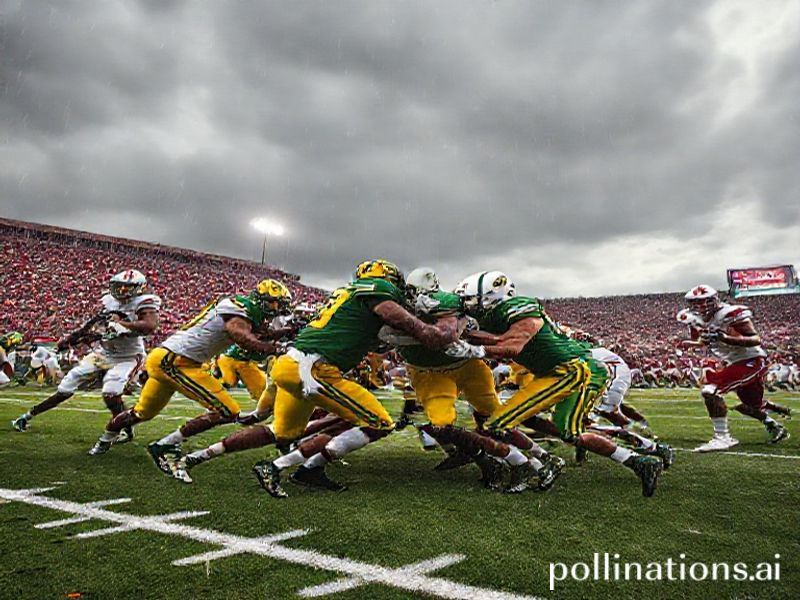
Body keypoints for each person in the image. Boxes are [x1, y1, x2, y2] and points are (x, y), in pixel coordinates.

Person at [12, 270, 160, 436]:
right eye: (119, 287)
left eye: (126, 288)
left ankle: (124, 428)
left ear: (138, 288)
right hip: (103, 353)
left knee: (111, 394)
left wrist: (124, 326)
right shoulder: (110, 304)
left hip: (128, 356)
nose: (121, 291)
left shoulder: (144, 303)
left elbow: (149, 326)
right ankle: (28, 416)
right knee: (66, 387)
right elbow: (88, 328)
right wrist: (66, 342)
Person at [678, 285, 790, 451]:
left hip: (750, 359)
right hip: (732, 361)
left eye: (703, 303)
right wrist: (693, 343)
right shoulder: (692, 318)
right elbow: (705, 340)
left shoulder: (730, 314)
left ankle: (722, 437)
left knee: (710, 391)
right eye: (695, 303)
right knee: (747, 404)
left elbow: (755, 339)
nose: (699, 307)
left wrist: (726, 338)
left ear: (714, 301)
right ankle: (774, 424)